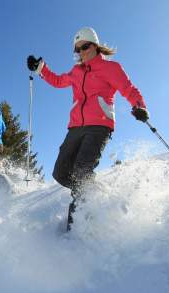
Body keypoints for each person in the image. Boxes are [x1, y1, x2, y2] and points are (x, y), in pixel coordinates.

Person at [27, 27, 149, 231]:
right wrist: (41, 69)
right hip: (76, 126)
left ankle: (76, 230)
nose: (81, 52)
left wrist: (139, 105)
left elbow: (128, 89)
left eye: (84, 47)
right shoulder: (76, 72)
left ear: (95, 45)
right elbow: (58, 81)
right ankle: (95, 194)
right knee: (60, 172)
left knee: (81, 171)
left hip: (99, 125)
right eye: (78, 50)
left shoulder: (111, 68)